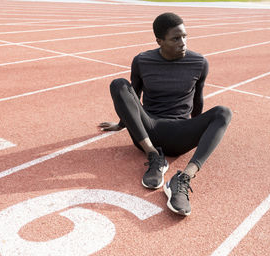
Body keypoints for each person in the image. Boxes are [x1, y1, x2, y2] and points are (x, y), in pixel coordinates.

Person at [99, 12, 232, 216]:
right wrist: (121, 124)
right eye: (176, 38)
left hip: (179, 133)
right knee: (119, 84)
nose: (183, 43)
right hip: (147, 132)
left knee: (223, 112)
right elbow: (131, 97)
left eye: (185, 36)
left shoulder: (199, 63)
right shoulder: (142, 61)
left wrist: (195, 130)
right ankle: (154, 156)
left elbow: (198, 101)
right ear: (159, 41)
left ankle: (183, 178)